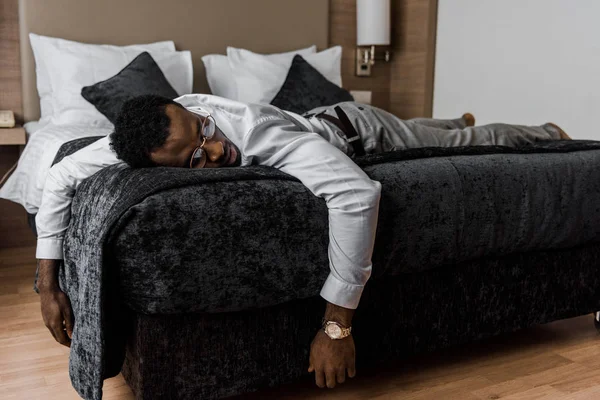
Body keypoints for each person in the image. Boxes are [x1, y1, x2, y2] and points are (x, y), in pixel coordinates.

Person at [36, 94, 569, 390]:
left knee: (468, 143)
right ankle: (451, 120)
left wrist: (336, 326)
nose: (216, 148)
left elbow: (357, 196)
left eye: (204, 129)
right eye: (196, 157)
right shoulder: (132, 140)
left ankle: (542, 130)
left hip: (357, 129)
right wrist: (48, 281)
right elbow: (59, 177)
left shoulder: (254, 132)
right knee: (439, 129)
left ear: (190, 110)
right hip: (328, 120)